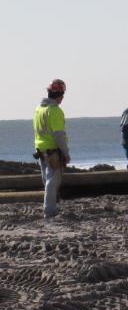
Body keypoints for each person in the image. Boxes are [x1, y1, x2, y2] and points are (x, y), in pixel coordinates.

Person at [33, 79, 70, 219]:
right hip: (52, 151)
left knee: (47, 180)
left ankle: (50, 207)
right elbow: (59, 135)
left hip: (41, 150)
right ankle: (49, 211)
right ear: (60, 94)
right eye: (63, 94)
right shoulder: (54, 111)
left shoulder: (39, 109)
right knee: (53, 181)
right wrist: (66, 153)